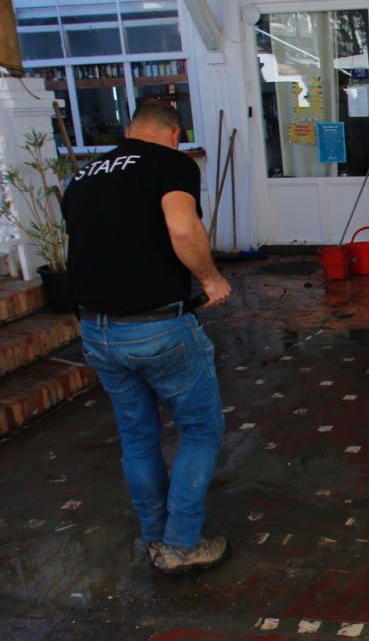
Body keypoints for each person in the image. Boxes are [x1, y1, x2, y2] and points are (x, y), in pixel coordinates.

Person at [61, 99, 232, 575]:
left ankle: (155, 536)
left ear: (130, 128)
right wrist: (211, 279)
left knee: (137, 438)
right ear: (174, 133)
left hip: (98, 330)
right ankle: (181, 545)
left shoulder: (83, 176)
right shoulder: (170, 163)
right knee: (200, 429)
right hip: (160, 328)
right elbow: (182, 226)